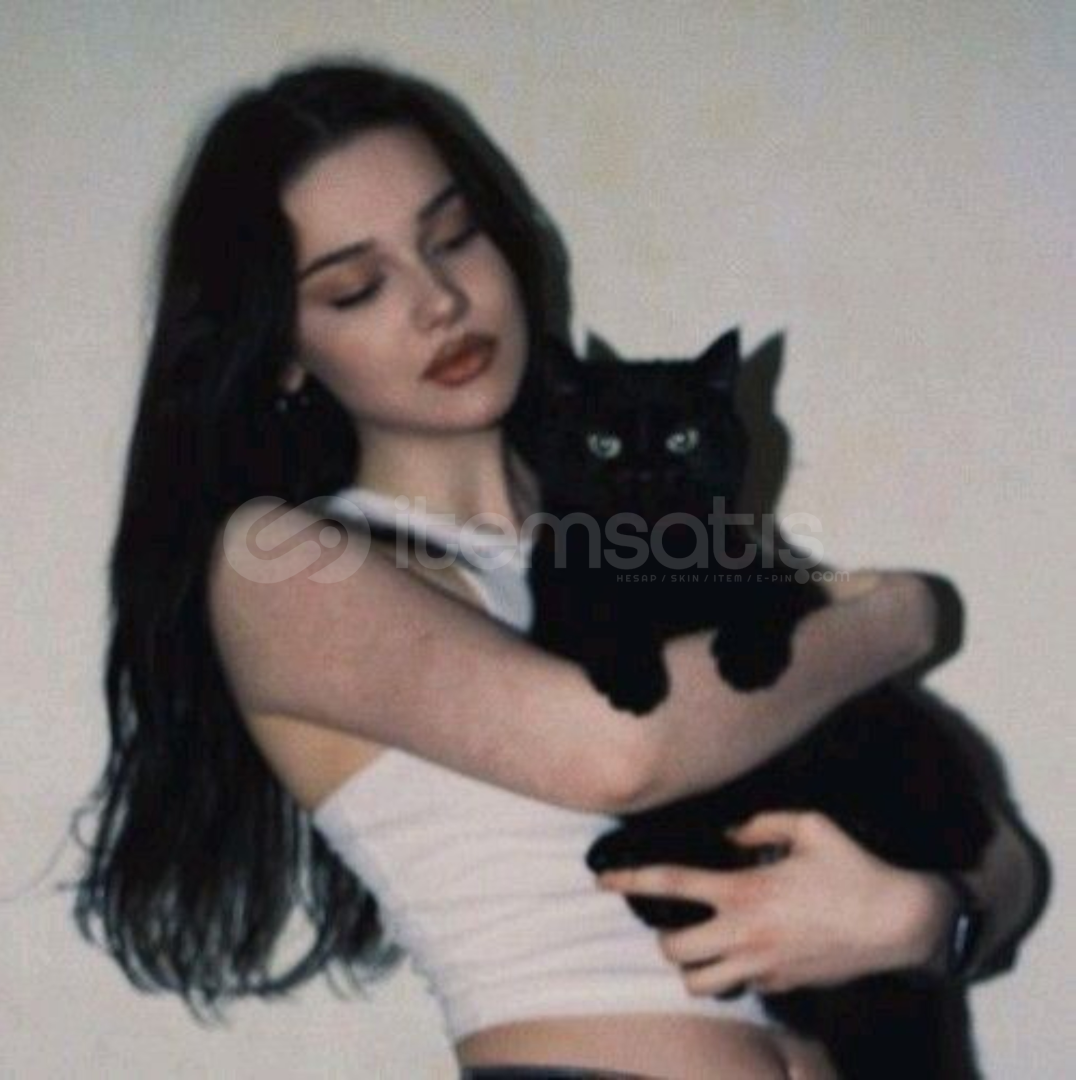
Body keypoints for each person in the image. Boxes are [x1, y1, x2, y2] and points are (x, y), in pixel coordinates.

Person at [73, 59, 1044, 1079]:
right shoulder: (281, 565)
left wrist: (925, 918)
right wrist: (897, 618)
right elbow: (621, 749)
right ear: (282, 350)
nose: (441, 300)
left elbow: (996, 848)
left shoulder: (643, 527)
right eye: (358, 287)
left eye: (454, 237)